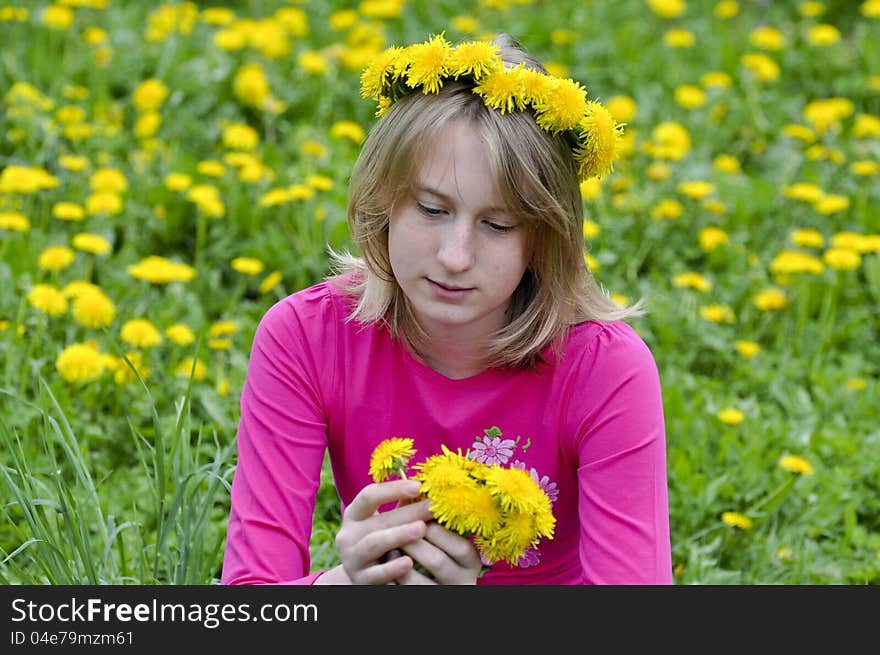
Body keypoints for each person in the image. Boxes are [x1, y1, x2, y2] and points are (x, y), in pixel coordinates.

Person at [221, 33, 672, 585]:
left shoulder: (602, 369)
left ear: (544, 239)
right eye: (432, 208)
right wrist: (349, 585)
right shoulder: (307, 337)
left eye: (498, 225)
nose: (455, 257)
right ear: (382, 200)